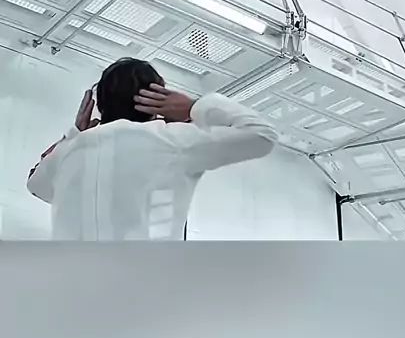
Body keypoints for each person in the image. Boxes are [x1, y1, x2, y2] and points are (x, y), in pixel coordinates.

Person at [26, 57, 277, 241]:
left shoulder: (70, 151)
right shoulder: (172, 140)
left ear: (99, 105)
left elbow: (37, 185)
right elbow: (261, 134)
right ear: (156, 102)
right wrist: (194, 107)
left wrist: (73, 134)